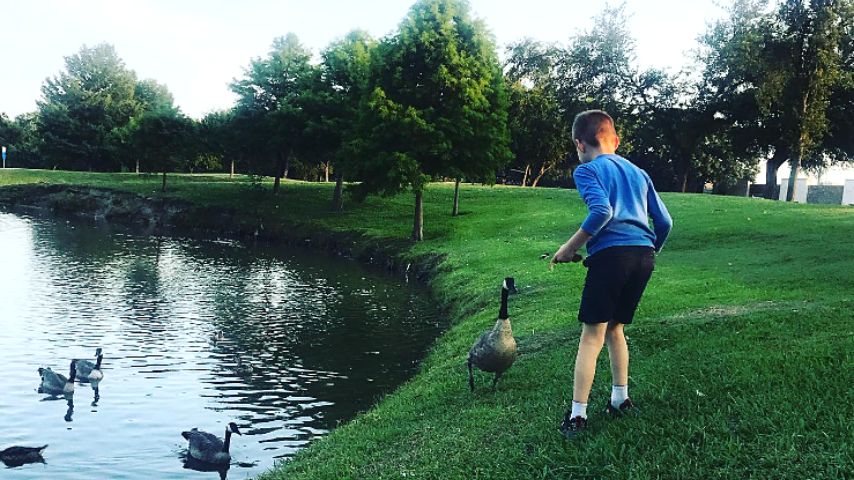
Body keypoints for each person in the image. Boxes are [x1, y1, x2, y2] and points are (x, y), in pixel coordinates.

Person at [550, 109, 673, 437]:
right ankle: (620, 399)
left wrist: (568, 248)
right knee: (615, 328)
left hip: (612, 258)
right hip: (644, 257)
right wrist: (646, 252)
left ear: (579, 144)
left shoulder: (587, 170)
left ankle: (577, 416)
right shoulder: (638, 172)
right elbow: (665, 223)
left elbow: (602, 211)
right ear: (615, 140)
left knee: (592, 335)